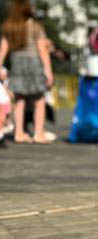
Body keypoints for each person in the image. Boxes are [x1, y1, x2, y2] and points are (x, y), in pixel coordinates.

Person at [0, 0, 53, 144]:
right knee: (39, 99)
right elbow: (42, 50)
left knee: (19, 99)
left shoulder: (9, 27)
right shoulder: (35, 26)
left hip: (17, 62)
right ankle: (39, 133)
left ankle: (18, 133)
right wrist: (48, 71)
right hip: (33, 62)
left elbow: (3, 48)